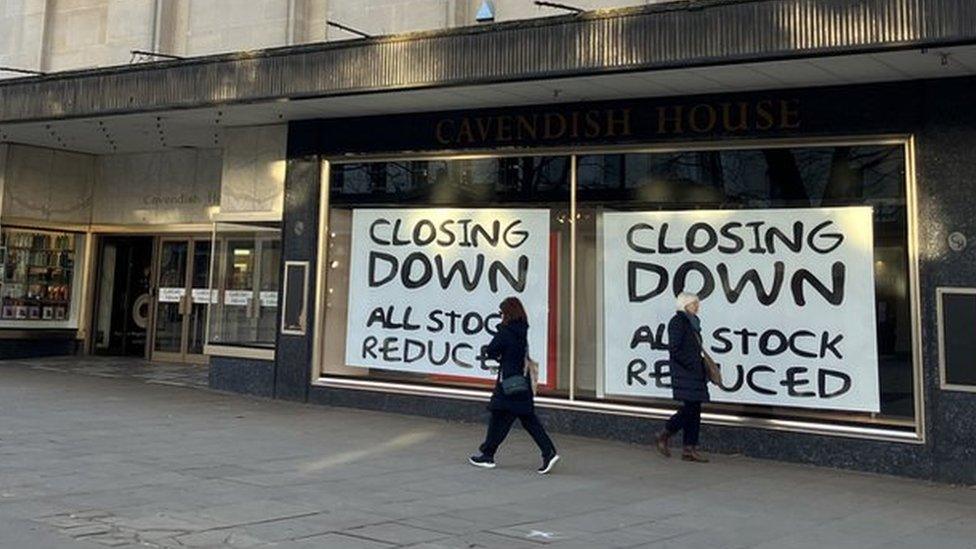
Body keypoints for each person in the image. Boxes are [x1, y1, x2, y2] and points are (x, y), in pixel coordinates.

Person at [469, 297, 560, 474]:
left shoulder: (506, 332)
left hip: (509, 384)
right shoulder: (521, 331)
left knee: (508, 417)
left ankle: (546, 451)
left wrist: (497, 341)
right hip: (521, 381)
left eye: (501, 313)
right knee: (515, 417)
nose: (500, 316)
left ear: (507, 314)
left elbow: (492, 349)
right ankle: (488, 453)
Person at [656, 292, 710, 463]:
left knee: (694, 409)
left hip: (693, 373)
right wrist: (693, 364)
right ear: (685, 305)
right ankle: (665, 433)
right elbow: (675, 349)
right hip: (686, 373)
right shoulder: (678, 322)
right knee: (691, 409)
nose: (697, 307)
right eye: (694, 304)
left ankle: (689, 448)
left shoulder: (692, 323)